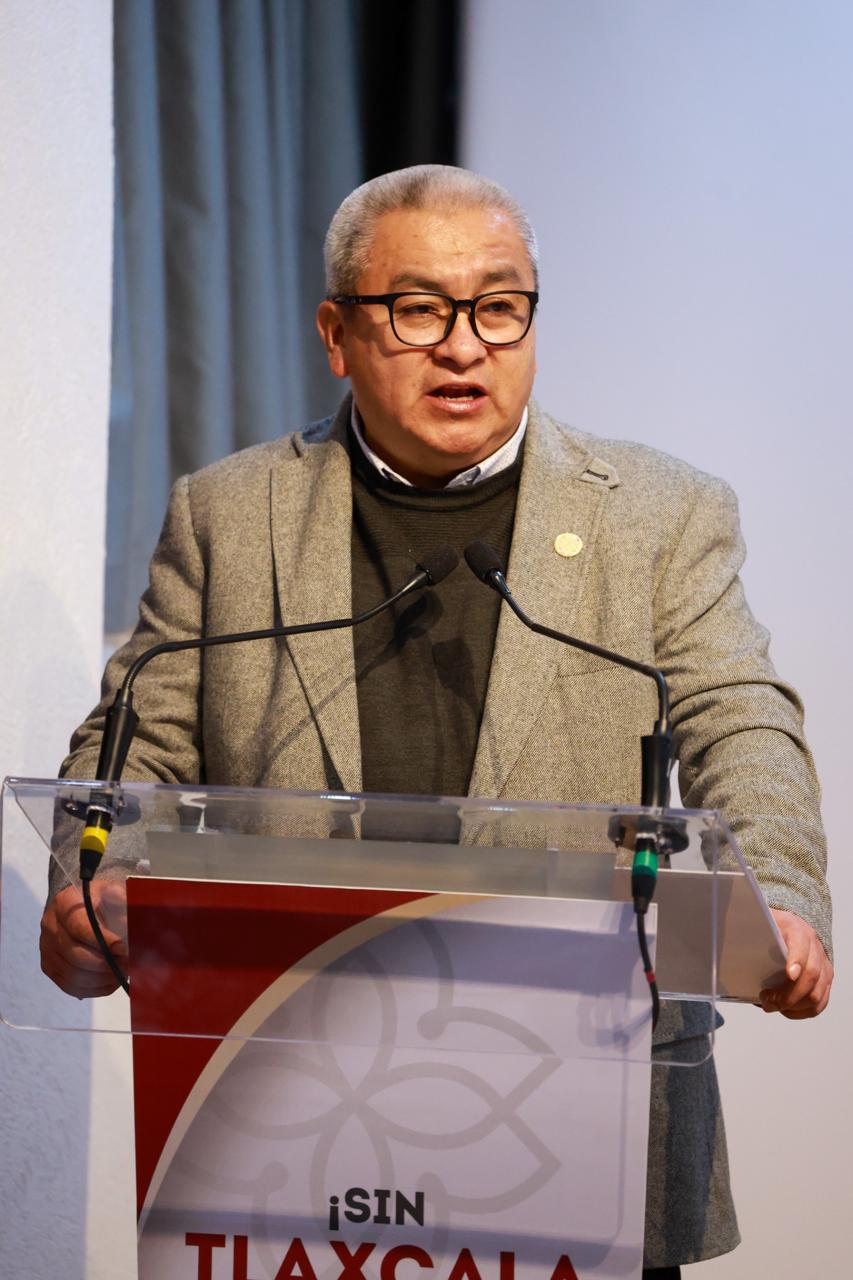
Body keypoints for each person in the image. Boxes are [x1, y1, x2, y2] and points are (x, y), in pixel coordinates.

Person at [40, 165, 833, 1275]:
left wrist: (778, 895)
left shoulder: (659, 514)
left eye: (499, 307)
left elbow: (736, 717)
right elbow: (136, 741)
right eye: (418, 309)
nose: (464, 347)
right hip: (285, 1095)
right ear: (337, 333)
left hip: (583, 1098)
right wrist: (92, 884)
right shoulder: (228, 514)